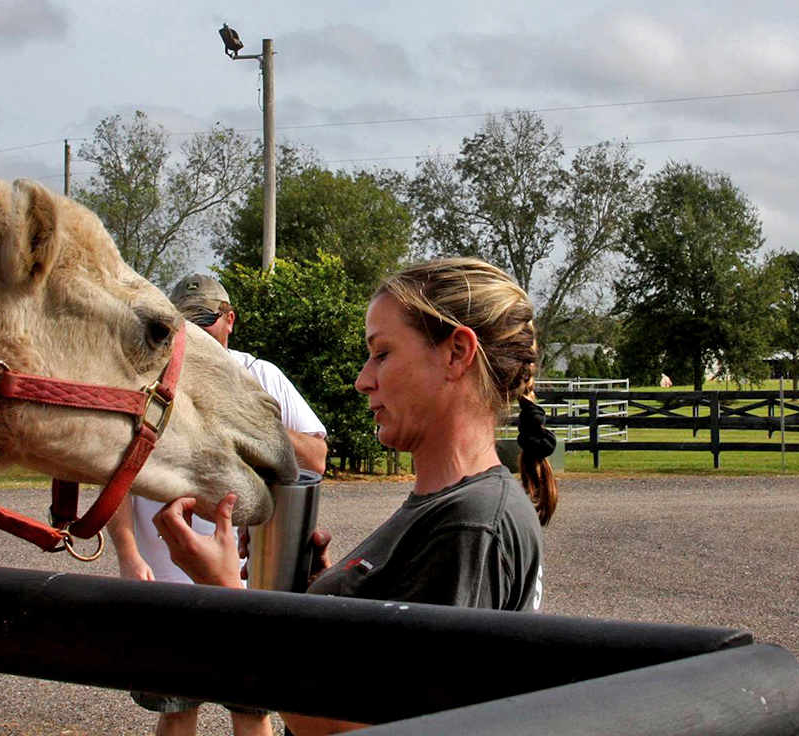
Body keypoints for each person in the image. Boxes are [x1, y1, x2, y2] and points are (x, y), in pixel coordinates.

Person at [154, 257, 559, 735]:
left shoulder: (472, 523)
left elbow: (355, 727)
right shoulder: (451, 507)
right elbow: (384, 664)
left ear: (456, 353)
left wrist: (224, 593)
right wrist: (331, 593)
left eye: (382, 353)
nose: (363, 379)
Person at [108, 273, 327, 736]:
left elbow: (317, 457)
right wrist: (129, 556)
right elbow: (121, 479)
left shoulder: (262, 375)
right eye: (185, 326)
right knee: (176, 707)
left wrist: (252, 428)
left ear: (230, 321)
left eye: (206, 324)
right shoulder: (149, 382)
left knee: (251, 711)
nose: (196, 338)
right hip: (167, 580)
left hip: (250, 582)